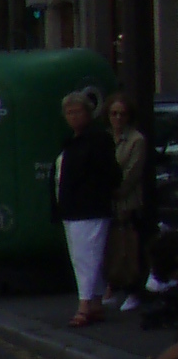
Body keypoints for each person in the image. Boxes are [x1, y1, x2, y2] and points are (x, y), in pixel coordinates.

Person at [56, 87, 120, 328]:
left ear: (88, 113)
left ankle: (85, 304)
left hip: (90, 206)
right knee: (81, 255)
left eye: (78, 111)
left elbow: (110, 173)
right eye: (69, 112)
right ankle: (94, 303)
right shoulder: (72, 142)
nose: (73, 116)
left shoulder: (97, 140)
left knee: (87, 255)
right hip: (72, 208)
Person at [108, 91, 150, 311]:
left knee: (130, 248)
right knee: (113, 248)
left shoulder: (136, 140)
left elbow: (132, 173)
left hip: (128, 202)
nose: (117, 118)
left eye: (122, 114)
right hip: (108, 203)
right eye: (113, 113)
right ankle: (113, 287)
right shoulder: (105, 138)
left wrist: (115, 191)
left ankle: (134, 290)